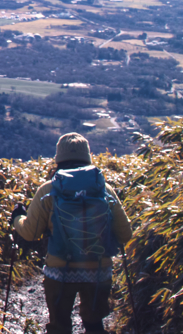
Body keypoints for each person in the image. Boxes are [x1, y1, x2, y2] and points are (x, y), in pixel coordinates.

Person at [11, 133, 132, 334]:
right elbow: (125, 234)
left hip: (60, 271)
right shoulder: (105, 190)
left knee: (59, 327)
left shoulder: (48, 191)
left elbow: (30, 233)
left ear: (58, 158)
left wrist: (17, 218)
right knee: (94, 324)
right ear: (88, 157)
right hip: (99, 269)